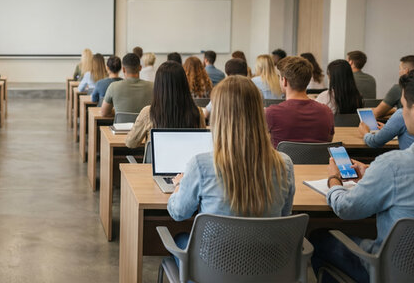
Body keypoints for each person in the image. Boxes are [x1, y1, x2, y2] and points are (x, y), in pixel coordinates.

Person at [311, 66, 414, 283]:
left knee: (319, 238)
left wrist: (334, 179)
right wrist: (372, 173)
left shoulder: (393, 166)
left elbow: (346, 208)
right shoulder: (390, 168)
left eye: (403, 106)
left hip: (391, 272)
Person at [167, 76, 295, 255]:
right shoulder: (285, 164)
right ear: (259, 112)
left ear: (218, 115)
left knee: (180, 238)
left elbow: (179, 213)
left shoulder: (201, 165)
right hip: (268, 268)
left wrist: (180, 185)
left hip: (213, 270)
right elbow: (284, 215)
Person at [125, 61, 205, 148]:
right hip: (188, 162)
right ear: (184, 84)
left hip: (155, 162)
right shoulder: (197, 112)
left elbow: (131, 143)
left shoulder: (148, 113)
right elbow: (202, 144)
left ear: (158, 86)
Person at [265, 56, 334, 147]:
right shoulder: (326, 111)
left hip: (282, 161)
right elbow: (328, 142)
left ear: (284, 81)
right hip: (317, 161)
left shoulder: (271, 113)